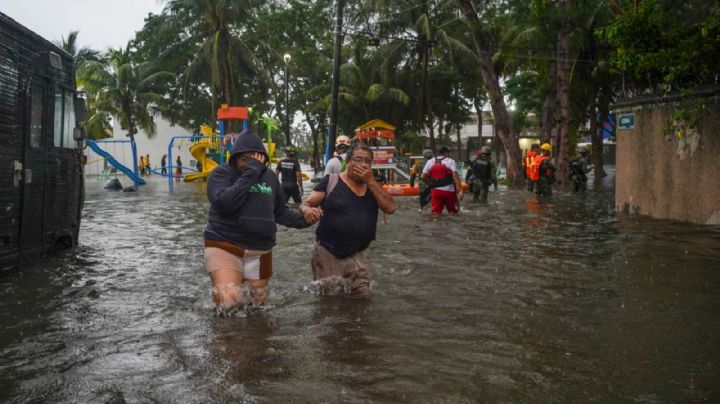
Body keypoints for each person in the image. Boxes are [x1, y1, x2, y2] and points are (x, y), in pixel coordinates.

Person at [204, 130, 322, 312]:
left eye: (255, 159)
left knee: (259, 306)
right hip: (224, 245)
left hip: (260, 249)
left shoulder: (270, 178)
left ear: (264, 159)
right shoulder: (221, 174)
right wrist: (251, 172)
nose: (250, 163)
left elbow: (280, 212)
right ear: (235, 158)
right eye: (245, 159)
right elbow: (225, 204)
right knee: (229, 302)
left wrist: (306, 219)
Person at [301, 142, 396, 295]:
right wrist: (307, 210)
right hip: (329, 252)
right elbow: (307, 203)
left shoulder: (373, 186)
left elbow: (390, 208)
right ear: (348, 162)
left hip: (361, 254)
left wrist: (371, 181)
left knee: (362, 299)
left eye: (367, 161)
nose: (362, 164)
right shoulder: (331, 181)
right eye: (358, 159)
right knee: (330, 303)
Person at [421, 145, 463, 215]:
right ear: (445, 153)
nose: (449, 154)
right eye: (448, 153)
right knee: (453, 212)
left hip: (435, 191)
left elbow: (423, 176)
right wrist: (460, 190)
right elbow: (455, 176)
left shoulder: (430, 161)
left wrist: (429, 184)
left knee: (435, 213)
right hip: (449, 191)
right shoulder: (451, 161)